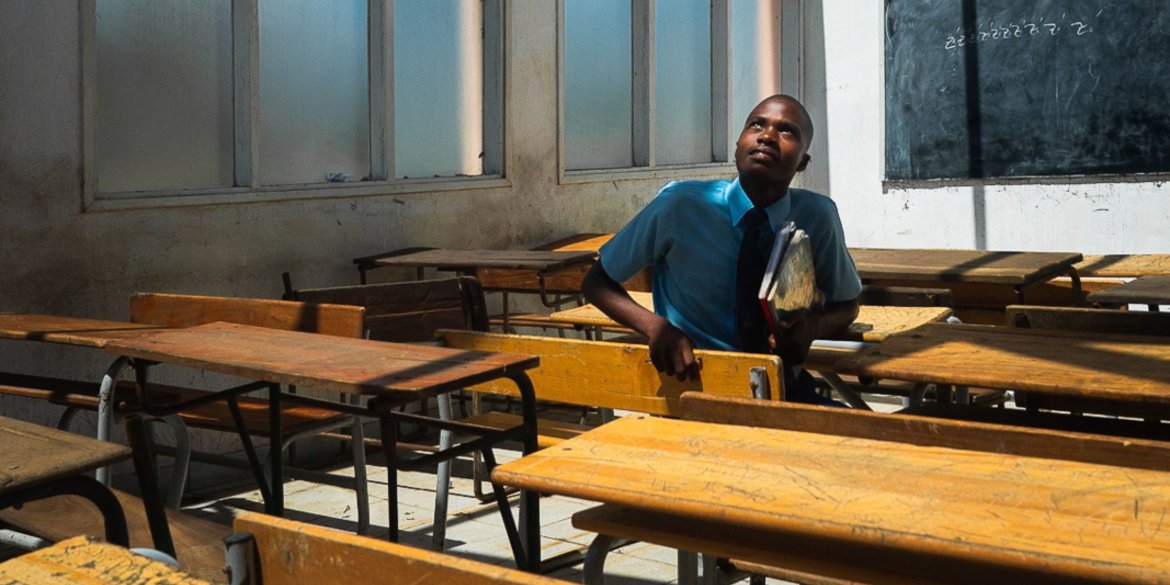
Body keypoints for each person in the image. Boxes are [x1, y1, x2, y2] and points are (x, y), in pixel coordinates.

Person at [581, 94, 861, 405]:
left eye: (786, 131)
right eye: (756, 125)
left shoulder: (817, 216)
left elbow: (848, 304)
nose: (767, 136)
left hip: (784, 387)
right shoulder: (680, 205)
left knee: (867, 433)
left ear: (803, 162)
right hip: (695, 386)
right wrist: (655, 327)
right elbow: (596, 281)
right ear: (738, 145)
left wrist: (812, 327)